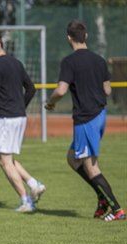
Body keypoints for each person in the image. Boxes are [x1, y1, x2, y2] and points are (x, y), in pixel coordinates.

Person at [45, 20, 125, 221]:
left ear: (68, 38)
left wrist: (50, 103)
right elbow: (107, 89)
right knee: (73, 158)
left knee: (90, 166)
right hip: (99, 115)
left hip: (86, 118)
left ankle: (117, 209)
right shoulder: (99, 60)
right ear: (86, 36)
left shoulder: (69, 62)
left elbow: (61, 90)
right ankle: (102, 198)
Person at [0, 30, 46, 213]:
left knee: (5, 161)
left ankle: (26, 201)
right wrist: (21, 106)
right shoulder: (17, 63)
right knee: (4, 158)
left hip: (7, 118)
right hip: (19, 116)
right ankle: (33, 183)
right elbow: (31, 89)